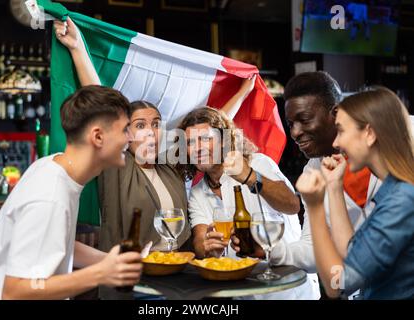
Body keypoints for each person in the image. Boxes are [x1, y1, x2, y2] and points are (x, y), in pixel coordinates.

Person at [53, 18, 255, 299]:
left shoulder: (170, 163)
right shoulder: (117, 165)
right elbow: (100, 101)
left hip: (182, 281)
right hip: (135, 284)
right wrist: (77, 48)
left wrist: (243, 92)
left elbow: (214, 130)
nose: (151, 131)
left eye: (156, 123)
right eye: (140, 125)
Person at [0, 85, 143, 300]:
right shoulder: (50, 196)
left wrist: (110, 262)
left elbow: (56, 242)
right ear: (97, 137)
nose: (132, 138)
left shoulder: (53, 165)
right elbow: (14, 291)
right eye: (125, 129)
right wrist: (101, 273)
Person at [177, 107, 318, 299]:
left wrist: (250, 177)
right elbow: (200, 243)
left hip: (289, 292)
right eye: (191, 142)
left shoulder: (258, 164)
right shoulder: (196, 193)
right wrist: (208, 245)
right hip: (242, 294)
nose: (198, 148)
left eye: (206, 139)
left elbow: (292, 205)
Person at [296, 87, 414, 299]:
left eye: (341, 130)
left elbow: (339, 284)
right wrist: (334, 187)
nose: (335, 143)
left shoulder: (403, 200)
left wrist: (315, 208)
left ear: (369, 134)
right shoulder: (394, 189)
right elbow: (352, 254)